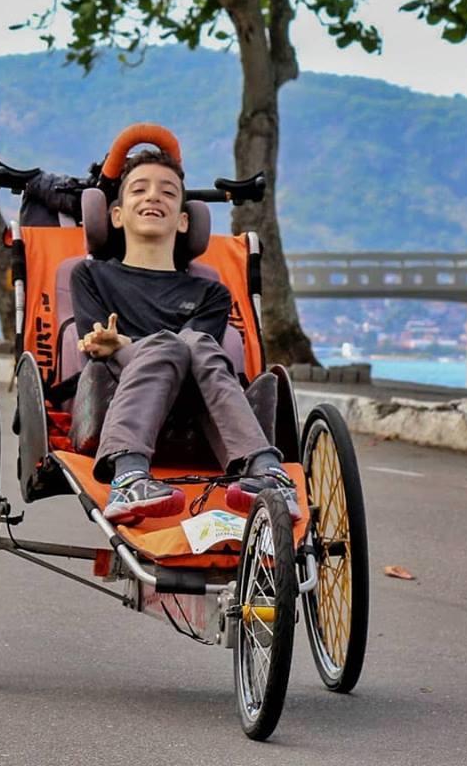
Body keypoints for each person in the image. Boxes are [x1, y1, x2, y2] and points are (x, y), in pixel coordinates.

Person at [69, 149, 300, 525]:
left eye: (168, 192)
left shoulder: (213, 292)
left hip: (192, 396)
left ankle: (267, 470)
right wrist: (109, 343)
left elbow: (198, 355)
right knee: (172, 342)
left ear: (183, 221)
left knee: (190, 344)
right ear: (115, 214)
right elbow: (92, 341)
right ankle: (127, 474)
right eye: (139, 189)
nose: (153, 196)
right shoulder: (89, 275)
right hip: (116, 386)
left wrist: (126, 342)